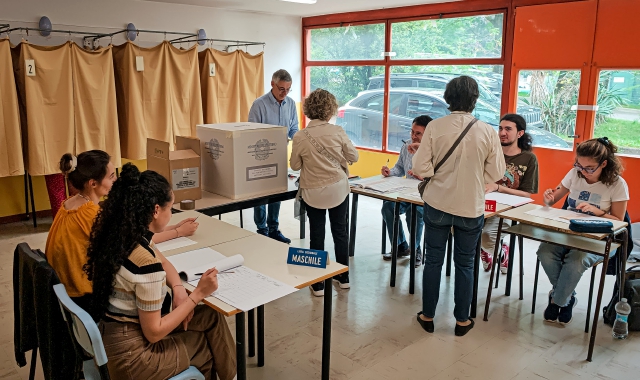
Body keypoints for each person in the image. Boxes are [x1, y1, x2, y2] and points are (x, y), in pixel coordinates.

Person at [84, 164, 236, 380]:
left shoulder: (124, 237)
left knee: (210, 316)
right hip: (133, 360)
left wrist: (178, 289)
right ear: (156, 210)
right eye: (170, 208)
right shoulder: (145, 263)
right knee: (203, 346)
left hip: (114, 337)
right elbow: (154, 333)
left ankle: (234, 376)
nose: (171, 214)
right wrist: (198, 295)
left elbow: (163, 261)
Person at [410, 76, 505, 336]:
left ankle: (428, 316)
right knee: (465, 264)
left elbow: (419, 167)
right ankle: (462, 321)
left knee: (433, 261)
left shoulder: (436, 127)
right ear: (475, 100)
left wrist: (435, 174)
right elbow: (497, 172)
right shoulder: (486, 130)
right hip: (470, 206)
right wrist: (475, 178)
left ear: (447, 98)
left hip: (437, 203)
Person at [45, 151, 199, 310]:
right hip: (82, 295)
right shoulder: (92, 215)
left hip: (64, 289)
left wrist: (174, 227)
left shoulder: (69, 204)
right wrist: (178, 233)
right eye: (111, 176)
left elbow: (132, 234)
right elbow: (137, 241)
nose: (116, 180)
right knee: (157, 296)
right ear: (93, 183)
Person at [537, 137, 628, 325]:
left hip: (599, 237)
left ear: (604, 164)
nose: (584, 172)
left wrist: (599, 212)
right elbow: (552, 201)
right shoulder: (574, 174)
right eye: (579, 165)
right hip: (568, 231)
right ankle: (568, 297)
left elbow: (619, 221)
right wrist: (548, 198)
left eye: (589, 168)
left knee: (576, 260)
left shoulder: (617, 184)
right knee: (544, 252)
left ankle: (558, 300)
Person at [290, 88, 358, 296]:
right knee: (340, 231)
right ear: (330, 110)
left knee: (316, 234)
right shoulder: (338, 132)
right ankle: (343, 277)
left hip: (313, 192)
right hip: (338, 189)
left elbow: (294, 166)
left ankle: (318, 283)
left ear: (309, 109)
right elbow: (353, 157)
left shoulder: (301, 136)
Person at [481, 114, 539, 274]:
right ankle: (485, 248)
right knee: (457, 228)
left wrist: (498, 188)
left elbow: (527, 195)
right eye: (500, 128)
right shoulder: (490, 152)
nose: (502, 132)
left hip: (508, 209)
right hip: (482, 204)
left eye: (508, 129)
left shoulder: (528, 158)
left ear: (520, 133)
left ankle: (501, 252)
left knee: (486, 236)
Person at [248, 69, 299, 244]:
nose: (284, 93)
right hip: (261, 157)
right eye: (281, 89)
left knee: (277, 193)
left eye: (288, 89)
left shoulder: (291, 104)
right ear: (272, 84)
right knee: (261, 194)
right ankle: (262, 230)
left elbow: (294, 127)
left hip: (280, 156)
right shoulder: (259, 104)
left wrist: (298, 138)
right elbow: (251, 132)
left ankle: (273, 228)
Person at [381, 115, 433, 267]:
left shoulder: (434, 149)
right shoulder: (406, 146)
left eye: (418, 133)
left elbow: (436, 176)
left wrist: (421, 176)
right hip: (406, 190)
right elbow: (399, 168)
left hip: (425, 193)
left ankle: (416, 248)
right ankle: (400, 245)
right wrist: (389, 172)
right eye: (412, 132)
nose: (413, 136)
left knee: (414, 212)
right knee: (388, 207)